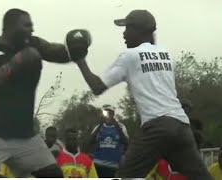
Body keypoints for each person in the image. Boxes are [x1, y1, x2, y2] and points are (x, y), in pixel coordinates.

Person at [73, 9, 212, 179]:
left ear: (140, 31)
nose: (124, 33)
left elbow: (97, 87)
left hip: (156, 127)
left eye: (127, 28)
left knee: (125, 175)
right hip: (181, 126)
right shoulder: (167, 54)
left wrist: (80, 60)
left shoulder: (129, 56)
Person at [0, 8, 90, 178]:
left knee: (53, 174)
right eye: (27, 25)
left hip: (25, 136)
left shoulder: (34, 44)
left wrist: (78, 46)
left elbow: (60, 53)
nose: (32, 29)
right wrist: (15, 64)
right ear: (11, 27)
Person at [88, 104, 129, 177]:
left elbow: (126, 142)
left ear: (113, 114)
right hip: (97, 163)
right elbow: (90, 141)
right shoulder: (99, 126)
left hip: (113, 165)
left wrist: (116, 126)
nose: (108, 115)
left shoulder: (121, 126)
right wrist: (100, 124)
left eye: (110, 112)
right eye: (105, 112)